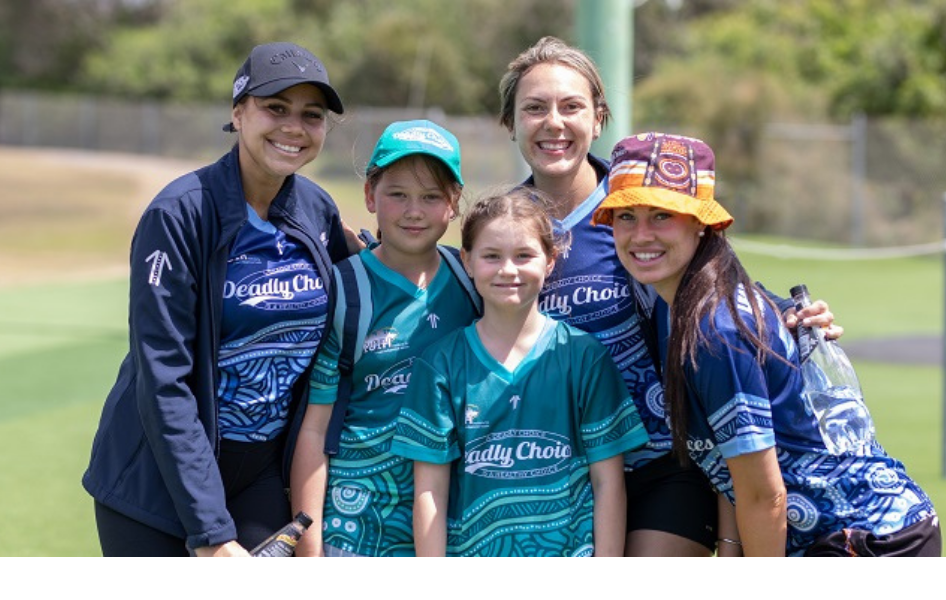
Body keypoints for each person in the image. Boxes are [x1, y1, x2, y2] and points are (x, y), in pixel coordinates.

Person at [497, 36, 842, 556]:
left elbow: (723, 297)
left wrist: (795, 317)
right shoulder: (503, 228)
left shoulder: (644, 207)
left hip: (665, 467)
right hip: (553, 476)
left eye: (571, 106)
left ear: (598, 119)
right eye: (534, 108)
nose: (554, 122)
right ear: (511, 124)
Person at [593, 131, 941, 556]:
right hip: (856, 535)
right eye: (626, 216)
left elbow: (764, 496)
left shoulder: (716, 332)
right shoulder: (682, 306)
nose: (641, 234)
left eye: (662, 215)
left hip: (867, 541)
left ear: (701, 223)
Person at [81, 42, 357, 557]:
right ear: (238, 112)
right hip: (158, 484)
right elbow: (165, 378)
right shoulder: (179, 214)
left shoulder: (316, 208)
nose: (294, 127)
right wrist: (210, 533)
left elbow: (364, 282)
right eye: (276, 108)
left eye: (311, 115)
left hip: (259, 476)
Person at [391, 188, 651, 557]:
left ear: (550, 260)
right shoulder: (441, 364)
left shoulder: (584, 357)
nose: (508, 270)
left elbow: (607, 483)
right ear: (466, 260)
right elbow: (430, 490)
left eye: (524, 255)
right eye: (492, 256)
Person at [289, 119, 479, 557]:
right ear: (370, 196)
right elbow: (315, 429)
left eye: (431, 197)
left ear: (453, 205)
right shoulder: (345, 290)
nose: (414, 210)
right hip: (356, 525)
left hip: (451, 523)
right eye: (398, 194)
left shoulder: (474, 280)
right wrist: (309, 544)